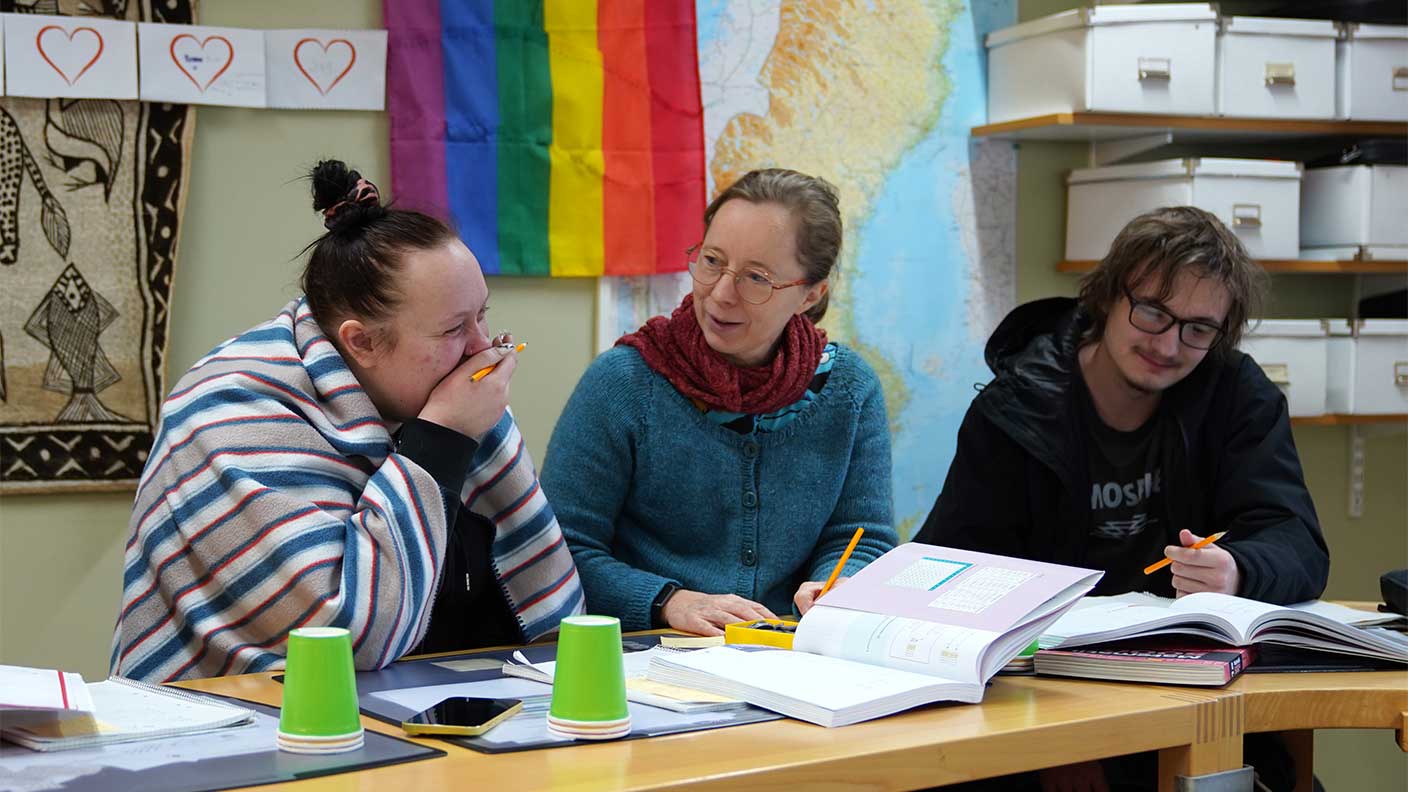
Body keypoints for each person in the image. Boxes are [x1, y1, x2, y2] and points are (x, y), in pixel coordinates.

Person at [111, 160, 583, 683]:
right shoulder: (229, 408)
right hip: (243, 727)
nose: (482, 349)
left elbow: (531, 600)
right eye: (453, 330)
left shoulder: (457, 396)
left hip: (441, 708)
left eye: (483, 315)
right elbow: (343, 636)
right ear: (360, 341)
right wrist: (441, 441)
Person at [918, 206, 1328, 792]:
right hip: (1038, 702)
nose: (1168, 344)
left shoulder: (1237, 394)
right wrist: (1058, 738)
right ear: (1109, 296)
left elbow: (1297, 542)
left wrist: (1237, 570)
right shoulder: (1014, 412)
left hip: (1193, 694)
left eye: (1198, 329)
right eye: (1153, 313)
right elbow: (955, 579)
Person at [542, 168, 898, 636]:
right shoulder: (624, 383)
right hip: (645, 652)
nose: (721, 294)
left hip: (789, 655)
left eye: (757, 277)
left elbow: (862, 537)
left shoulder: (850, 390)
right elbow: (557, 552)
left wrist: (834, 586)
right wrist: (667, 600)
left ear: (811, 294)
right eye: (711, 261)